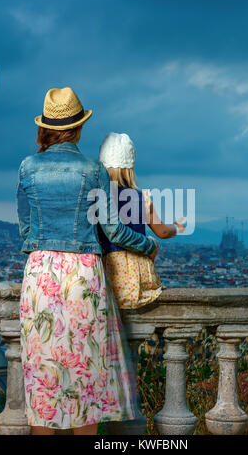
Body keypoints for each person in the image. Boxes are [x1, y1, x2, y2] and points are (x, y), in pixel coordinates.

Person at [16, 87, 158, 435]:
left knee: (45, 389)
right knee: (86, 388)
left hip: (41, 277)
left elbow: (25, 230)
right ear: (79, 128)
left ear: (46, 128)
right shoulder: (94, 170)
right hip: (83, 277)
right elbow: (114, 231)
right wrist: (148, 244)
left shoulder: (27, 167)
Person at [98, 132, 185, 310]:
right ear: (130, 168)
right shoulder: (141, 198)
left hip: (106, 277)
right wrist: (177, 227)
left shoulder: (97, 197)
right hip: (136, 281)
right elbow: (162, 232)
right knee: (152, 241)